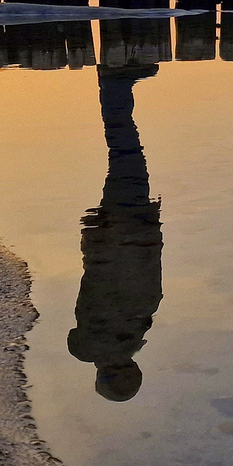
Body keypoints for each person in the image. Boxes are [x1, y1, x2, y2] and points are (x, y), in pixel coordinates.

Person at [68, 61, 164, 401]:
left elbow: (128, 279)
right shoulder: (120, 332)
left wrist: (148, 233)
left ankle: (115, 84)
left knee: (125, 148)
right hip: (122, 232)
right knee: (125, 149)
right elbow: (100, 282)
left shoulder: (127, 331)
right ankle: (118, 85)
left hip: (128, 230)